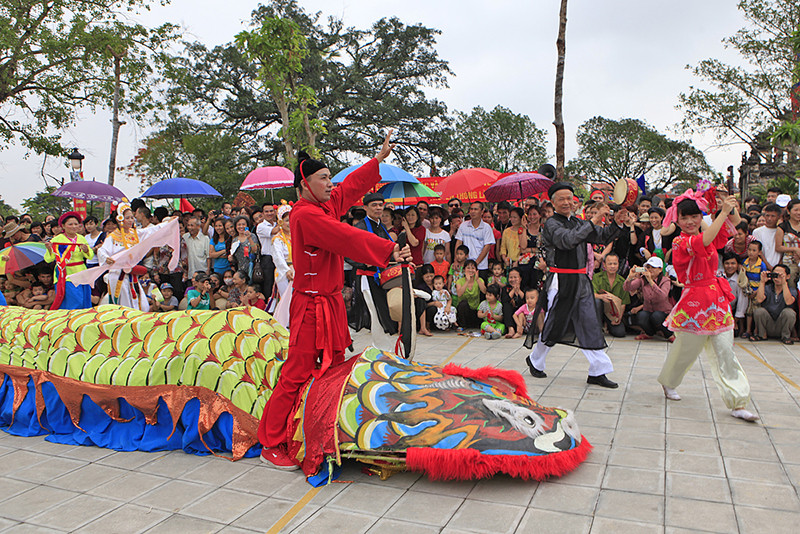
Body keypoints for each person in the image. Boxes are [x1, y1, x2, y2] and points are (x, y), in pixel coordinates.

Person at [258, 133, 412, 470]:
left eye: (330, 177)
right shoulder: (305, 215)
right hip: (311, 306)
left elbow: (350, 187)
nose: (331, 184)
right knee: (297, 373)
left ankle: (322, 430)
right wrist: (388, 251)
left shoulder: (324, 204)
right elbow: (346, 237)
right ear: (305, 184)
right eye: (323, 179)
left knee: (333, 367)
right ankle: (269, 441)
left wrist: (377, 160)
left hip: (329, 303)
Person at [658, 193, 758, 422]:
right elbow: (703, 241)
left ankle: (738, 402)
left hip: (717, 300)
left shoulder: (709, 235)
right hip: (694, 301)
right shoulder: (680, 241)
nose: (690, 222)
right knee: (686, 350)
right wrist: (721, 213)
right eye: (685, 218)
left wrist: (727, 206)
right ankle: (669, 381)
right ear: (677, 219)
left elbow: (732, 224)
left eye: (695, 216)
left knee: (726, 352)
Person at [525, 182, 632, 388]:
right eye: (561, 199)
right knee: (555, 324)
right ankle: (535, 359)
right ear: (553, 203)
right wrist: (593, 220)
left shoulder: (576, 221)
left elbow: (600, 236)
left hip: (581, 280)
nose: (566, 202)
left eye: (569, 199)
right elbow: (568, 240)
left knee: (589, 322)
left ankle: (598, 370)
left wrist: (617, 224)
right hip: (561, 280)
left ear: (575, 202)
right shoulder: (551, 225)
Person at [98, 202, 176, 311]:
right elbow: (102, 250)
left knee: (140, 303)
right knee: (122, 302)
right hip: (117, 273)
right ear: (120, 219)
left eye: (132, 217)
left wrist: (168, 223)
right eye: (127, 218)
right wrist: (106, 257)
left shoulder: (135, 234)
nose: (131, 220)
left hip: (131, 273)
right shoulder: (113, 237)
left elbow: (151, 231)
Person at [44, 212, 94, 310]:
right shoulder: (57, 239)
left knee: (84, 301)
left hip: (81, 272)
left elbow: (91, 256)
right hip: (65, 274)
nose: (74, 226)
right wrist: (50, 249)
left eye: (76, 224)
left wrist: (86, 250)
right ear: (63, 226)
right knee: (75, 301)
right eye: (70, 224)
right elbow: (48, 259)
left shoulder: (81, 238)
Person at [623, 256, 674, 341]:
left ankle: (669, 335)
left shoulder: (665, 281)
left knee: (656, 316)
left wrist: (651, 281)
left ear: (660, 269)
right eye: (648, 267)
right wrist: (630, 277)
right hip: (649, 311)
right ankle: (649, 333)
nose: (650, 270)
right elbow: (627, 288)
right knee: (641, 316)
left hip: (663, 312)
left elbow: (662, 296)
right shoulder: (642, 279)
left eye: (653, 267)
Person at [753, 264, 797, 343]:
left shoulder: (792, 290)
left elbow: (789, 301)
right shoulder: (767, 288)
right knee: (759, 311)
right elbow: (759, 300)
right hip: (768, 324)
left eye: (780, 275)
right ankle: (762, 335)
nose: (777, 278)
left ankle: (785, 337)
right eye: (775, 275)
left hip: (782, 325)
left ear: (788, 276)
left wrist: (784, 284)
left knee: (789, 312)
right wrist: (762, 282)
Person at [455, 202, 495, 279]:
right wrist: (457, 260)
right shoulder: (463, 225)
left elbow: (487, 247)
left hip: (481, 266)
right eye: (471, 209)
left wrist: (475, 263)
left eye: (476, 209)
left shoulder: (486, 228)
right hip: (464, 265)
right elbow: (459, 243)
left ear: (482, 211)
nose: (473, 211)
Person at [593, 253, 629, 338]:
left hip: (612, 314)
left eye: (615, 264)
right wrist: (601, 297)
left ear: (618, 265)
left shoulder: (622, 281)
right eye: (610, 264)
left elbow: (624, 302)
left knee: (620, 333)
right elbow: (591, 294)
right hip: (599, 311)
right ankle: (597, 329)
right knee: (597, 301)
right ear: (604, 265)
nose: (612, 266)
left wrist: (619, 317)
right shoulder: (597, 277)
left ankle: (608, 326)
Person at [775, 198, 800, 286]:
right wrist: (795, 249)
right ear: (789, 211)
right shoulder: (782, 227)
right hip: (789, 263)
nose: (798, 213)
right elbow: (778, 247)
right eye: (796, 210)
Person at [256, 203, 279, 299]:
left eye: (271, 211)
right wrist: (283, 221)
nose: (269, 213)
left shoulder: (277, 224)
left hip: (279, 257)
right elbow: (274, 231)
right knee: (268, 284)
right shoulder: (261, 226)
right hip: (268, 259)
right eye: (267, 211)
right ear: (263, 214)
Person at [272, 203, 293, 300]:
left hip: (298, 270)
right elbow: (278, 257)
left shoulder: (297, 236)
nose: (290, 223)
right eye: (287, 220)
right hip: (284, 272)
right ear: (280, 222)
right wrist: (286, 270)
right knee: (287, 300)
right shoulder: (278, 239)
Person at [455, 259, 485, 329]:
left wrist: (477, 279)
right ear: (464, 270)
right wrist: (467, 281)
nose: (470, 270)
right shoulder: (460, 281)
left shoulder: (479, 280)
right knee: (463, 304)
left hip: (475, 311)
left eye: (473, 268)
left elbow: (484, 291)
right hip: (465, 311)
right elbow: (459, 294)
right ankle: (463, 325)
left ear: (476, 270)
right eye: (468, 268)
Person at [752, 203, 781, 269]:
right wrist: (768, 266)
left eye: (773, 216)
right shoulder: (757, 231)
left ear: (778, 217)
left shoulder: (781, 231)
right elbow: (758, 251)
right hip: (762, 267)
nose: (769, 219)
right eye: (767, 215)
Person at [501, 268, 527, 338]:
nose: (513, 280)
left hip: (522, 317)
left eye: (515, 277)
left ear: (520, 278)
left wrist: (518, 291)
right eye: (511, 277)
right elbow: (505, 300)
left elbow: (526, 300)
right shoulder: (505, 288)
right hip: (510, 317)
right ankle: (511, 330)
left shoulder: (525, 288)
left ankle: (520, 329)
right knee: (506, 305)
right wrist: (513, 290)